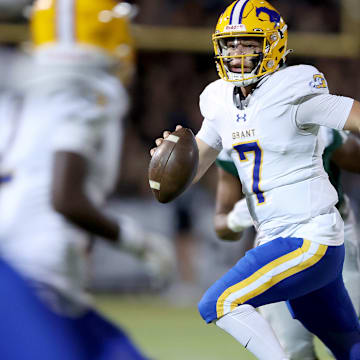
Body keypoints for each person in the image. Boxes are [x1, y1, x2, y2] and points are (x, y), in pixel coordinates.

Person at [150, 0, 360, 359]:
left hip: (309, 237)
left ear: (273, 44)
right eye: (230, 44)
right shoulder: (217, 101)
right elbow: (190, 171)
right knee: (349, 345)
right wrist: (165, 165)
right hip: (277, 240)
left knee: (220, 302)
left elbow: (354, 116)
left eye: (247, 43)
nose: (236, 53)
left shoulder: (293, 89)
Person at [0, 1, 173, 359]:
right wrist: (136, 241)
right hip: (34, 270)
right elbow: (64, 196)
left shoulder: (17, 89)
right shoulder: (88, 88)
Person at [214, 128, 360, 359]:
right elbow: (221, 226)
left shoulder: (305, 115)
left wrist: (335, 131)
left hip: (333, 236)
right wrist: (234, 219)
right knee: (292, 348)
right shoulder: (231, 134)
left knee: (349, 339)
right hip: (276, 244)